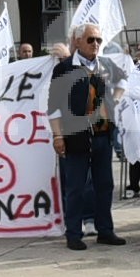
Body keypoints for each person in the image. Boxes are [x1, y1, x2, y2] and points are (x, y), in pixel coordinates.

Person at [49, 24, 125, 250]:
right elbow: (53, 106)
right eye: (91, 40)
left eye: (99, 40)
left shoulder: (106, 65)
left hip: (103, 134)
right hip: (76, 135)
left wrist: (115, 100)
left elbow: (123, 80)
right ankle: (73, 233)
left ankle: (105, 230)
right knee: (76, 186)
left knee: (105, 185)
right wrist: (57, 136)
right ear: (78, 41)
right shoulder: (64, 69)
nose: (96, 45)